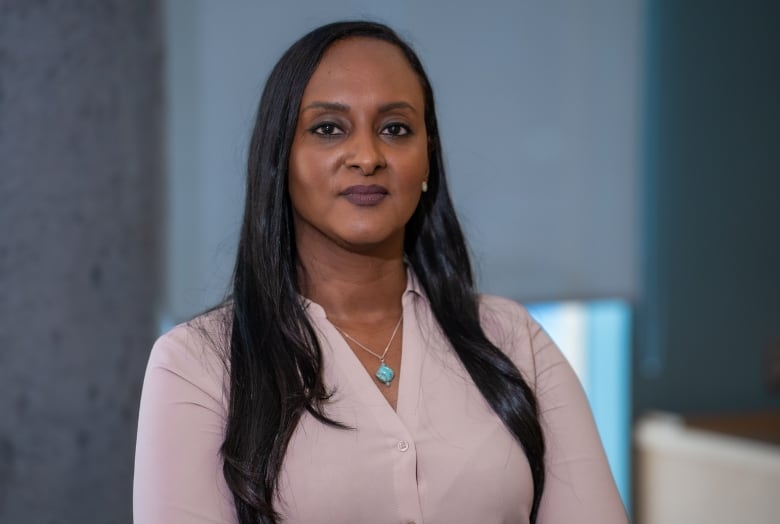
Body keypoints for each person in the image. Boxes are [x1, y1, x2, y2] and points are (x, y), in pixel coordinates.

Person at [133, 20, 627, 524]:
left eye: (396, 129)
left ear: (427, 158)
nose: (367, 157)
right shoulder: (198, 365)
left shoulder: (512, 339)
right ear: (280, 157)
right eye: (328, 129)